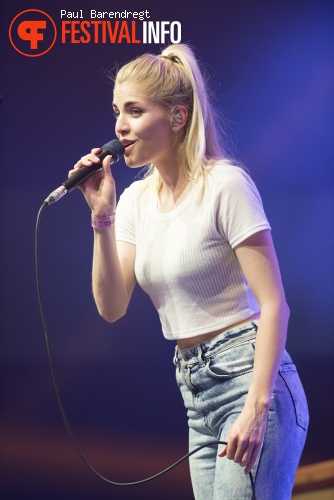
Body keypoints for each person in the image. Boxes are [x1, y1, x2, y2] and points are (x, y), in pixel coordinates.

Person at [70, 44, 308, 499]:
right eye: (117, 111)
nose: (120, 126)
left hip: (250, 379)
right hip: (195, 393)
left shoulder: (225, 185)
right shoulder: (135, 200)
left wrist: (257, 407)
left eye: (135, 111)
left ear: (178, 117)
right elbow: (111, 307)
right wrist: (102, 218)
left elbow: (276, 305)